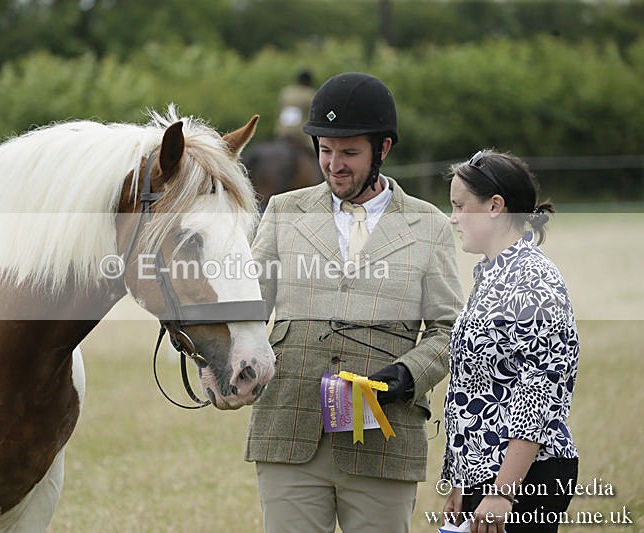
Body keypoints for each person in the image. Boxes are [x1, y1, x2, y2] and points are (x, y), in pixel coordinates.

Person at [246, 72, 463, 533]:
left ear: (383, 149)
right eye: (325, 150)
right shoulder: (283, 211)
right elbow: (250, 308)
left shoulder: (429, 225)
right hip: (289, 428)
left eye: (349, 153)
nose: (333, 165)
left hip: (384, 436)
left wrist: (407, 375)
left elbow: (448, 330)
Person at [441, 149, 580, 533]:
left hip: (524, 477)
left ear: (495, 207)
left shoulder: (532, 280)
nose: (453, 217)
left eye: (460, 206)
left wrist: (503, 491)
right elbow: (477, 387)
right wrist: (462, 481)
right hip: (486, 474)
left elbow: (539, 394)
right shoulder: (492, 273)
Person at [274, 68, 316, 149]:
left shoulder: (287, 92)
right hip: (301, 132)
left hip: (282, 130)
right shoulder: (310, 94)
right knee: (317, 149)